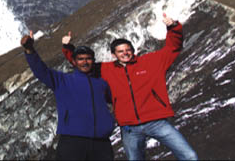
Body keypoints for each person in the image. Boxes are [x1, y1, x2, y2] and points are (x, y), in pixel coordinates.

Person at [61, 13, 198, 160]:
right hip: (129, 127)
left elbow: (173, 48)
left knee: (189, 156)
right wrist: (67, 47)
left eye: (128, 50)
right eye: (120, 51)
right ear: (114, 55)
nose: (125, 53)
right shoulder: (105, 69)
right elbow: (82, 63)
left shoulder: (151, 62)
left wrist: (173, 28)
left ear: (133, 50)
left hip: (156, 121)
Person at [21, 30, 115, 160]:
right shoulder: (63, 80)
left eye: (88, 58)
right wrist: (29, 51)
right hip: (72, 141)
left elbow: (117, 100)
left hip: (101, 142)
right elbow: (41, 71)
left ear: (93, 61)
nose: (85, 62)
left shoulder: (102, 84)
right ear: (74, 62)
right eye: (80, 59)